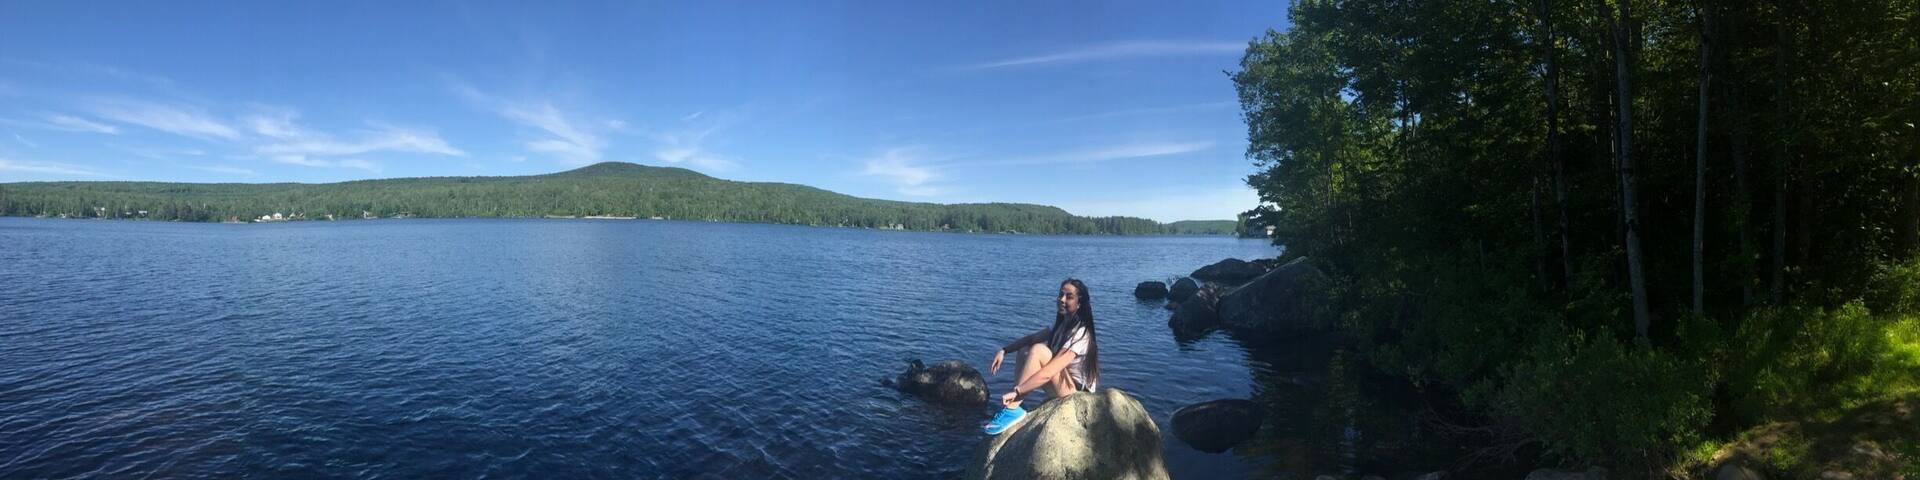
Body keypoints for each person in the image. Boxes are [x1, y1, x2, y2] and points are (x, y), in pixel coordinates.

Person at [981, 278, 1101, 435]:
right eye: (1061, 294)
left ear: (1079, 303)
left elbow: (1049, 372)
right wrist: (1004, 350)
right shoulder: (1061, 324)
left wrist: (1017, 391)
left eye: (1069, 297)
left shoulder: (1081, 333)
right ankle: (1017, 406)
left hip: (1078, 394)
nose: (1062, 300)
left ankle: (1013, 407)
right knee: (1025, 350)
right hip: (1065, 383)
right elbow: (1031, 339)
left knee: (1038, 350)